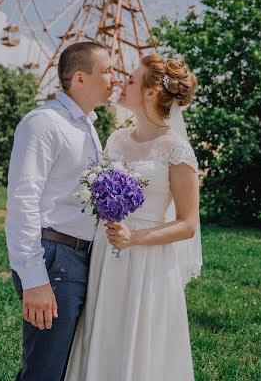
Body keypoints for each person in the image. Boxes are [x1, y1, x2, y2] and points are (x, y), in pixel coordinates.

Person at [65, 53, 203, 381]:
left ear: (151, 93)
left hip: (149, 261)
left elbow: (187, 224)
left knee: (140, 338)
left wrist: (134, 239)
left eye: (130, 80)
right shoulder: (116, 140)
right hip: (107, 252)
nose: (121, 84)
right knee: (104, 328)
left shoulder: (178, 150)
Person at [5, 41, 119, 381]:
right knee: (44, 370)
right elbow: (23, 202)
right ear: (80, 78)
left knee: (65, 367)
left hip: (80, 259)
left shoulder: (86, 126)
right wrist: (35, 280)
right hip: (54, 258)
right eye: (108, 70)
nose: (115, 77)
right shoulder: (43, 123)